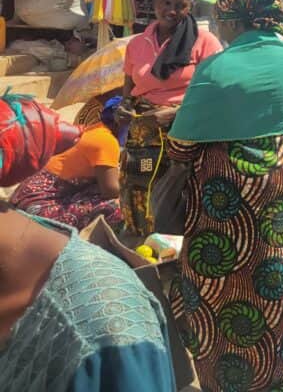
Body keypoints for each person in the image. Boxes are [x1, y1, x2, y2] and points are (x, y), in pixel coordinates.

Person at [168, 0, 283, 392]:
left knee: (221, 291)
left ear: (234, 24)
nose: (218, 31)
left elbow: (181, 147)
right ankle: (282, 378)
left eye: (220, 24)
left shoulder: (216, 67)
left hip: (224, 202)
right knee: (282, 280)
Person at [0, 96, 176, 392]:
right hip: (43, 201)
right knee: (116, 205)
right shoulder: (105, 142)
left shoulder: (103, 326)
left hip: (38, 194)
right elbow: (110, 189)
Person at [121, 0, 222, 236]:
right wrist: (124, 104)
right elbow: (129, 82)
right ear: (155, 2)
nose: (172, 10)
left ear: (190, 7)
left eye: (181, 5)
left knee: (180, 186)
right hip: (145, 130)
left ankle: (181, 243)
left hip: (186, 128)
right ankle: (145, 237)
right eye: (166, 2)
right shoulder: (136, 43)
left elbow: (216, 91)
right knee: (142, 180)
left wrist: (177, 112)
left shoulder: (205, 42)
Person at [12, 95, 123, 229]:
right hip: (38, 208)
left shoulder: (94, 129)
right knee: (119, 206)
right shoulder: (107, 141)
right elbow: (110, 191)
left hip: (24, 196)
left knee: (99, 186)